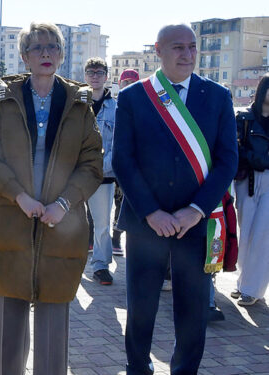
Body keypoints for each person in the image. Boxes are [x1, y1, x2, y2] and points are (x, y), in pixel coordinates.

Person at [0, 21, 102, 375]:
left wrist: (63, 204)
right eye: (37, 48)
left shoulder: (79, 102)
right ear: (24, 56)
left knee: (54, 314)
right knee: (10, 317)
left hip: (63, 224)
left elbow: (92, 164)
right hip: (10, 219)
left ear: (61, 55)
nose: (46, 53)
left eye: (52, 47)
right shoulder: (4, 100)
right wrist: (19, 197)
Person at [112, 24, 237, 374]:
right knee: (141, 306)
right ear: (158, 50)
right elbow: (123, 158)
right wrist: (152, 212)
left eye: (192, 47)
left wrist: (195, 211)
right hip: (145, 222)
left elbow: (228, 159)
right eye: (178, 47)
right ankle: (138, 367)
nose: (187, 54)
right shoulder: (135, 96)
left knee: (193, 308)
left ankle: (185, 370)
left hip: (195, 224)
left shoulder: (217, 96)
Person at [233, 73, 269, 307]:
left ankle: (252, 288)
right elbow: (233, 147)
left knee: (262, 236)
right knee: (244, 235)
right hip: (247, 180)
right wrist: (255, 159)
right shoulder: (244, 117)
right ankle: (244, 282)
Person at [84, 57, 118, 285]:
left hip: (104, 174)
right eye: (90, 71)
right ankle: (67, 261)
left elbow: (119, 142)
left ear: (106, 76)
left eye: (99, 71)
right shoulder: (76, 103)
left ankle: (101, 265)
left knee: (102, 224)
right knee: (68, 222)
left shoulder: (116, 107)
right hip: (75, 173)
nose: (95, 75)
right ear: (85, 75)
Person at [110, 69, 139, 255]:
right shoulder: (111, 105)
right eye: (125, 81)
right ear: (119, 84)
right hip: (107, 164)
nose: (128, 85)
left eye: (132, 82)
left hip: (129, 167)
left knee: (122, 204)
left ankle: (116, 238)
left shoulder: (143, 107)